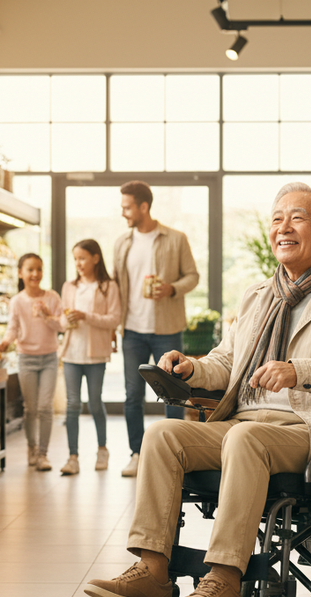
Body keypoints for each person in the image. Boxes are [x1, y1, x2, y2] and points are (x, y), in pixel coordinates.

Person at [84, 182, 311, 597]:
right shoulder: (257, 296)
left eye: (297, 217)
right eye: (277, 218)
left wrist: (299, 371)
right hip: (243, 421)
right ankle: (153, 571)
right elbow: (227, 362)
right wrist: (192, 368)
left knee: (245, 440)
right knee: (163, 436)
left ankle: (225, 579)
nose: (283, 227)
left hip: (309, 429)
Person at [112, 181, 199, 478]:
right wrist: (114, 325)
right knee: (132, 395)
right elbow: (115, 287)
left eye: (127, 207)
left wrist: (172, 289)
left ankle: (175, 456)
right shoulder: (122, 243)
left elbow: (193, 276)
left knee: (172, 393)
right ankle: (137, 454)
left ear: (143, 207)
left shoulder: (176, 239)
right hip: (132, 330)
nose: (123, 212)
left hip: (167, 329)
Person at [58, 239, 122, 475]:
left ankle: (102, 449)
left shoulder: (108, 286)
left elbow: (114, 319)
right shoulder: (69, 286)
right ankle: (72, 457)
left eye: (82, 258)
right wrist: (69, 319)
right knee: (72, 404)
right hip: (72, 353)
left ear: (95, 258)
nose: (78, 263)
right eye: (75, 259)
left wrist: (85, 316)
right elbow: (62, 321)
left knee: (95, 402)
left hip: (95, 355)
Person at [0, 252, 62, 472]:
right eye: (30, 270)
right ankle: (31, 447)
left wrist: (47, 316)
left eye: (39, 269)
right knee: (30, 408)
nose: (35, 274)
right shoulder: (17, 301)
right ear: (20, 273)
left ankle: (43, 454)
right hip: (25, 358)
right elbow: (13, 328)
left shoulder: (52, 297)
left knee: (45, 407)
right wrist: (5, 342)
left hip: (49, 358)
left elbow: (61, 326)